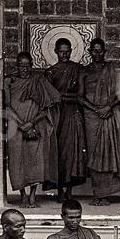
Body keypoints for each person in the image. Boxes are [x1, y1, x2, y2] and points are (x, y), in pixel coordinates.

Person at [6, 50, 60, 207]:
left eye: (27, 65)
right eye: (21, 65)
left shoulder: (38, 81)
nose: (24, 69)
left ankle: (32, 196)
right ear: (16, 66)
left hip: (35, 125)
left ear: (32, 65)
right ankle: (22, 195)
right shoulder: (9, 81)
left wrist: (31, 124)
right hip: (15, 126)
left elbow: (48, 106)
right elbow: (7, 106)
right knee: (17, 161)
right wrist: (22, 124)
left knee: (35, 161)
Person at [80, 38, 120, 205]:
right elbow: (80, 96)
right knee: (95, 154)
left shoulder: (112, 69)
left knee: (110, 152)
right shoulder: (84, 71)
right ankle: (97, 194)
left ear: (105, 52)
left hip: (110, 113)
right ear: (89, 52)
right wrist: (96, 108)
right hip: (92, 117)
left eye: (100, 51)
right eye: (94, 51)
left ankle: (106, 194)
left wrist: (108, 106)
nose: (97, 54)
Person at [44, 37, 88, 200]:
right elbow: (51, 97)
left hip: (73, 115)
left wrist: (63, 96)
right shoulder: (50, 72)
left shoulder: (78, 69)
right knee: (59, 152)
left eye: (67, 51)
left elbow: (81, 95)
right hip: (57, 115)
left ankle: (70, 190)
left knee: (72, 152)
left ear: (71, 51)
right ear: (55, 51)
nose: (64, 55)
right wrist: (67, 97)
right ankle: (59, 189)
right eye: (61, 52)